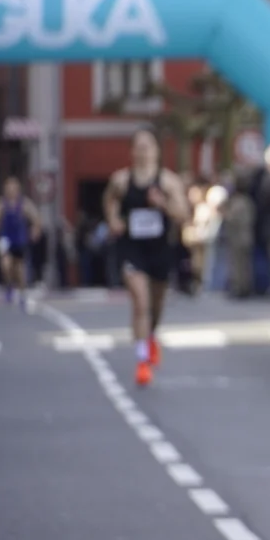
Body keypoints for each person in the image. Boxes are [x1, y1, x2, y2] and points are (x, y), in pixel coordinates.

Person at [104, 128, 190, 387]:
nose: (143, 152)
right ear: (132, 151)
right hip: (132, 248)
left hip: (160, 249)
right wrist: (113, 220)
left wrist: (162, 203)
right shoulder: (121, 180)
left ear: (157, 151)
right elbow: (109, 200)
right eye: (139, 147)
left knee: (156, 304)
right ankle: (142, 361)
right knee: (141, 302)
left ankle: (151, 336)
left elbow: (183, 214)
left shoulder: (168, 181)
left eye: (148, 146)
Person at [0, 176, 42, 308]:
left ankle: (22, 292)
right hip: (6, 239)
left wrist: (35, 230)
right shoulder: (1, 203)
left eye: (13, 188)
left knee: (19, 269)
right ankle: (9, 285)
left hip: (19, 239)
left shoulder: (24, 203)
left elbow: (36, 218)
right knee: (6, 265)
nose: (11, 191)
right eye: (8, 188)